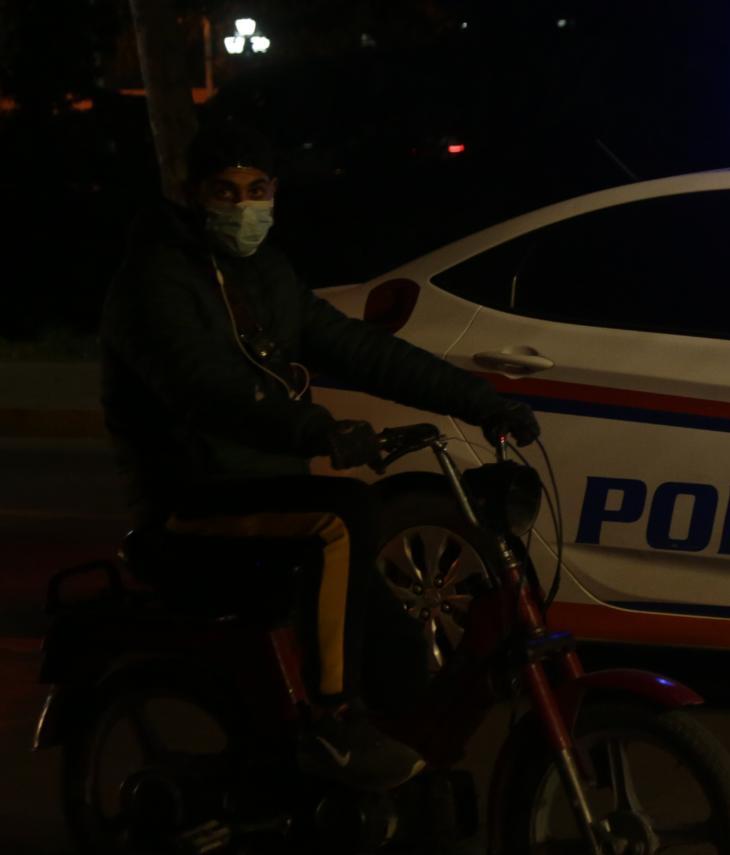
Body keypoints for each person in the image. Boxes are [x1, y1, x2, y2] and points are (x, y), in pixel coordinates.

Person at [100, 119, 540, 794]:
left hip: (273, 497)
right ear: (193, 194)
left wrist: (480, 401)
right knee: (344, 515)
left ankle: (415, 817)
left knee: (401, 653)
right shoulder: (154, 281)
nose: (243, 206)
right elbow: (205, 388)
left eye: (256, 189)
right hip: (193, 502)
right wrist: (317, 430)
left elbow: (361, 349)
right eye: (226, 191)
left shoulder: (265, 274)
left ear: (274, 191)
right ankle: (332, 725)